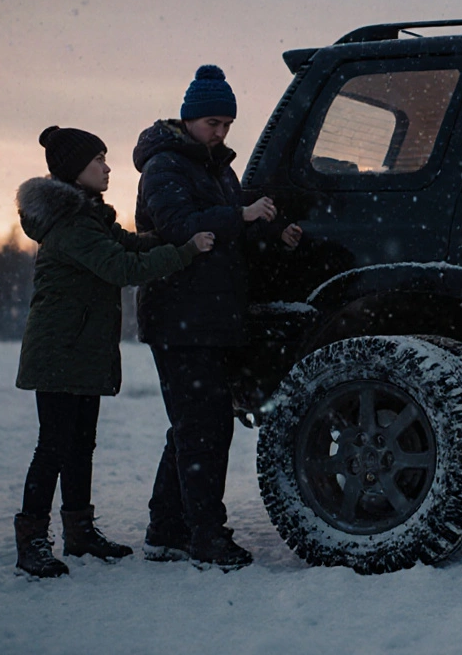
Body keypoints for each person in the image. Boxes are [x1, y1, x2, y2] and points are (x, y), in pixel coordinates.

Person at [14, 126, 215, 579]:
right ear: (74, 170)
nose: (107, 168)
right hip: (60, 352)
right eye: (98, 160)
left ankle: (80, 532)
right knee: (53, 447)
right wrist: (185, 251)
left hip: (81, 350)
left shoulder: (91, 218)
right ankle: (32, 541)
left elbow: (131, 245)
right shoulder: (71, 224)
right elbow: (122, 267)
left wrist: (173, 235)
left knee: (80, 444)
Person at [133, 64, 302, 570]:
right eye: (213, 123)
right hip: (180, 318)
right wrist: (241, 215)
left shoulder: (216, 168)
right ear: (189, 119)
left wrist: (271, 230)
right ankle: (206, 535)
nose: (221, 132)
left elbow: (226, 230)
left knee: (193, 426)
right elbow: (178, 226)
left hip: (208, 317)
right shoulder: (165, 167)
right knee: (202, 428)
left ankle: (167, 529)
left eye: (227, 124)